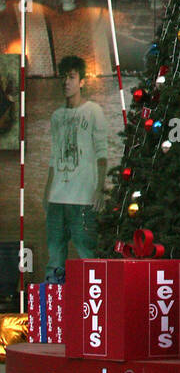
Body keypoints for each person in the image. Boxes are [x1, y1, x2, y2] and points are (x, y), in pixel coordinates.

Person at [42, 56, 109, 283]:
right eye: (64, 77)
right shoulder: (56, 116)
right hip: (57, 199)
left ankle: (96, 304)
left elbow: (102, 154)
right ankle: (54, 306)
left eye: (71, 77)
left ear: (81, 81)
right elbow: (54, 156)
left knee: (88, 254)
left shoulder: (93, 111)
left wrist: (100, 189)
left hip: (82, 200)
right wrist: (47, 193)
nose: (66, 82)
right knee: (54, 258)